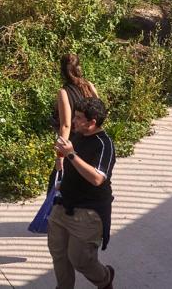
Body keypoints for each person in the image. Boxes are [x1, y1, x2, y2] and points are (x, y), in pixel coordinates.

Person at [48, 97, 116, 289]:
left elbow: (97, 178)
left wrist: (71, 154)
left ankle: (105, 279)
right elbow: (71, 165)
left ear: (92, 122)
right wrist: (61, 167)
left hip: (88, 212)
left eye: (78, 118)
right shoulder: (78, 135)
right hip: (63, 205)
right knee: (59, 255)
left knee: (80, 260)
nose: (74, 121)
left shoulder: (104, 145)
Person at [52, 54, 99, 179]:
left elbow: (66, 125)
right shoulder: (88, 86)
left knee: (59, 186)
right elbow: (100, 113)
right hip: (92, 141)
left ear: (62, 71)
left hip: (74, 145)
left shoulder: (64, 92)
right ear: (79, 68)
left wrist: (60, 156)